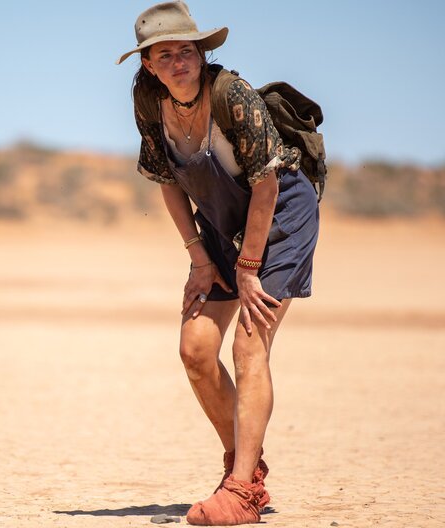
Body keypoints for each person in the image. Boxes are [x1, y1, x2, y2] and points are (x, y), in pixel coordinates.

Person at [116, 2, 320, 526]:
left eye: (187, 50)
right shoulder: (148, 101)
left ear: (201, 53)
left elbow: (267, 184)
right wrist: (199, 260)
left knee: (249, 344)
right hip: (221, 221)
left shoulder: (232, 95)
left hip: (279, 217)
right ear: (148, 66)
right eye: (165, 55)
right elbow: (167, 181)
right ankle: (246, 468)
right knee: (196, 349)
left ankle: (242, 492)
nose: (179, 62)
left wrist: (248, 267)